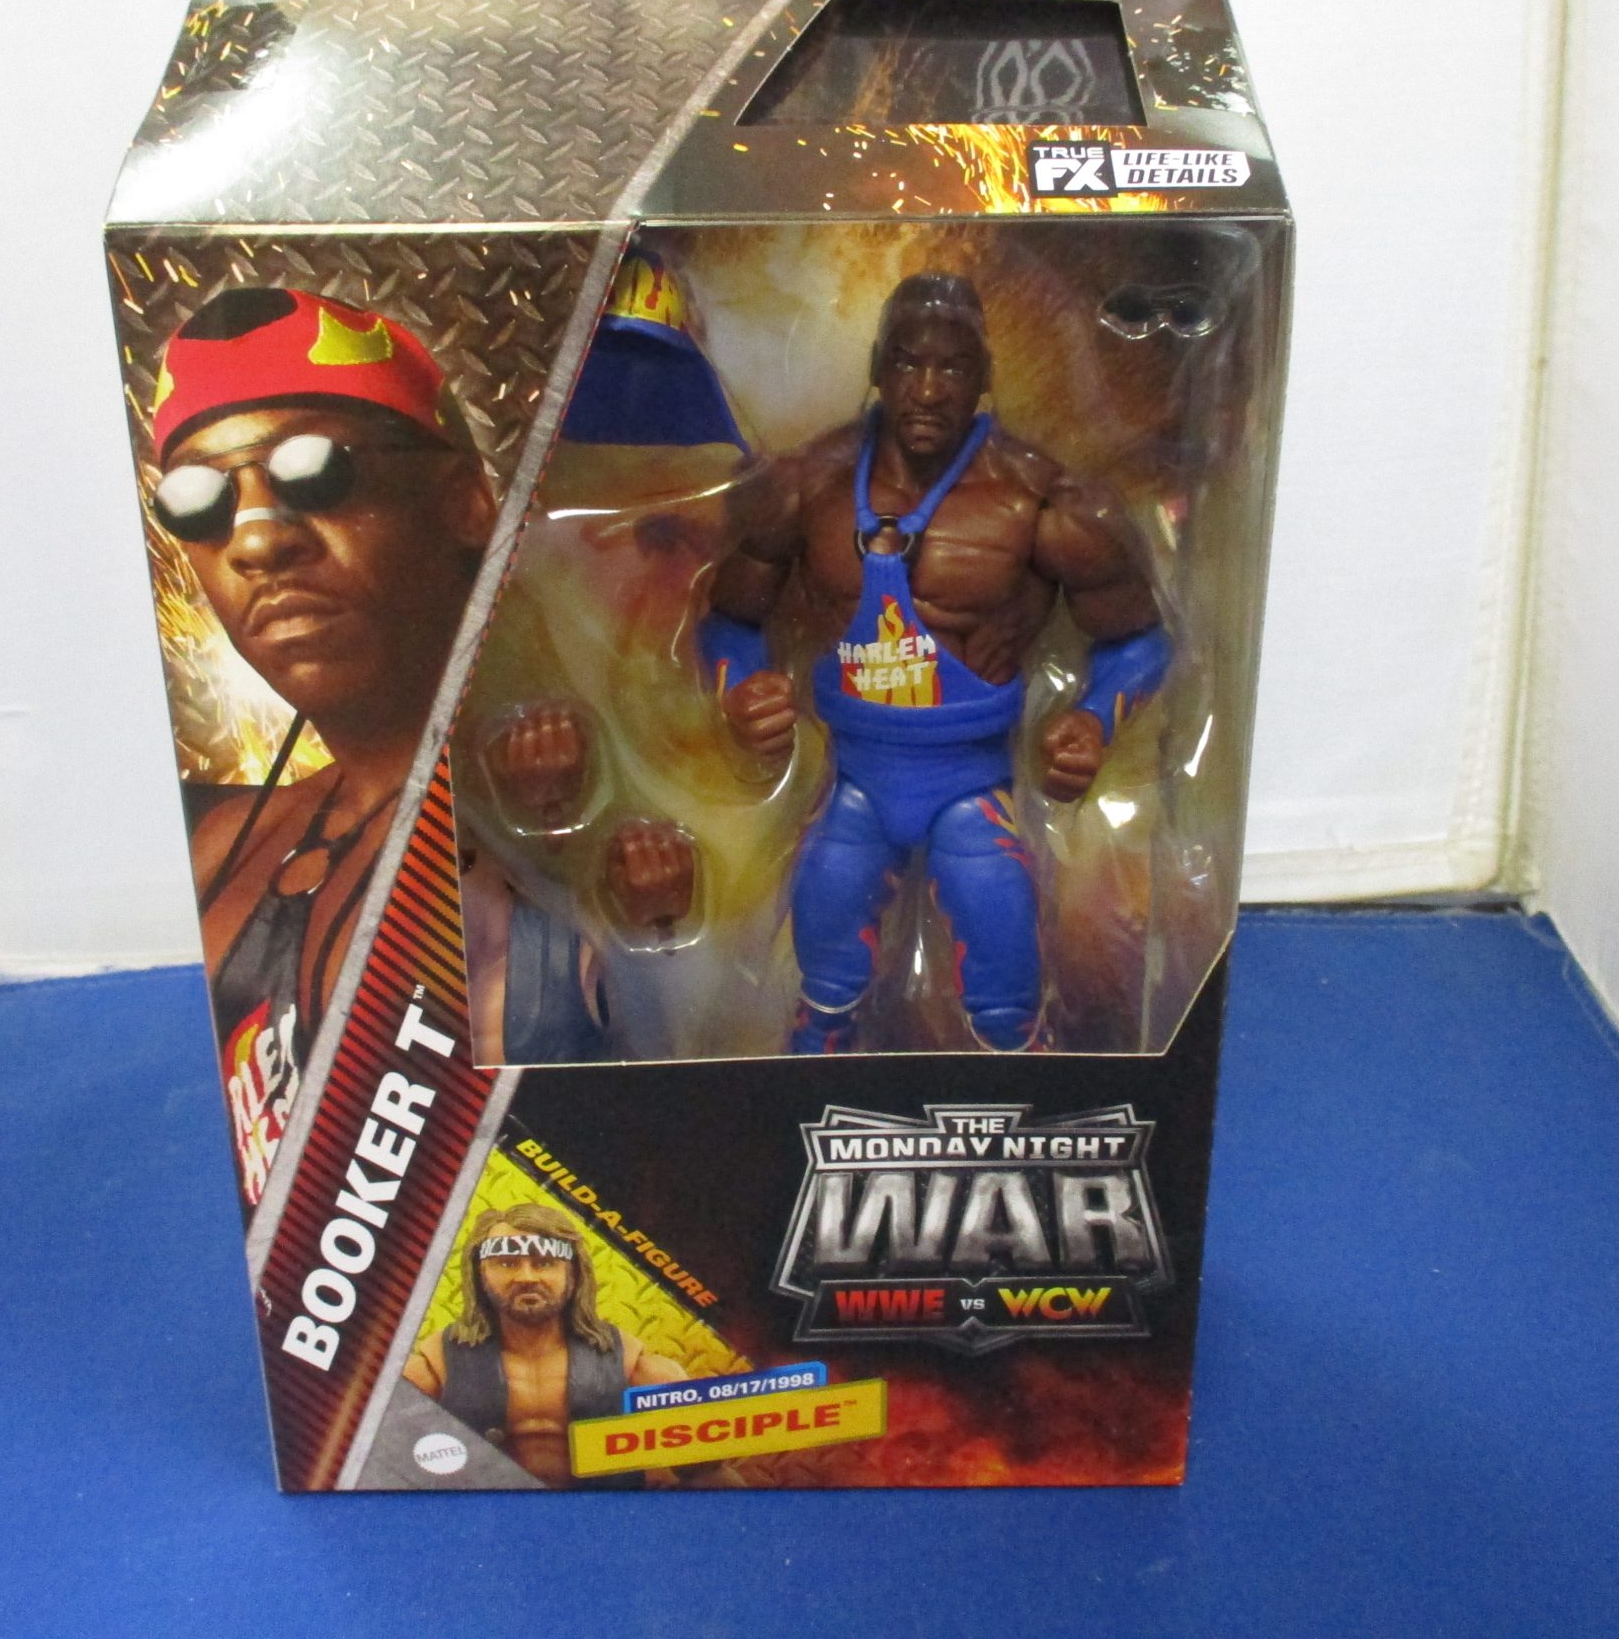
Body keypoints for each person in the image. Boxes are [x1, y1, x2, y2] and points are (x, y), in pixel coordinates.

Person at [146, 287, 687, 1212]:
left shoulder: (589, 801)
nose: (258, 540)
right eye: (199, 502)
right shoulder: (216, 845)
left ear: (465, 503)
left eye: (316, 473)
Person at [696, 272, 1171, 1053]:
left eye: (951, 367)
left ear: (982, 378)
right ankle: (805, 1102)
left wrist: (1092, 721)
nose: (927, 389)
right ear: (878, 368)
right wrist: (743, 691)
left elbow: (1140, 642)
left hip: (972, 784)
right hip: (853, 781)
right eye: (909, 363)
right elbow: (728, 622)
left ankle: (1015, 1098)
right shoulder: (807, 485)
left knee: (1006, 982)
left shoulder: (1038, 499)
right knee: (822, 985)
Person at [400, 1202, 684, 1487]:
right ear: (480, 1272)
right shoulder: (437, 1364)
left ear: (573, 1272)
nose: (526, 1277)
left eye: (545, 1263)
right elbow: (385, 1457)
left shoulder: (631, 1364)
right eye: (507, 1263)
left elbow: (704, 1469)